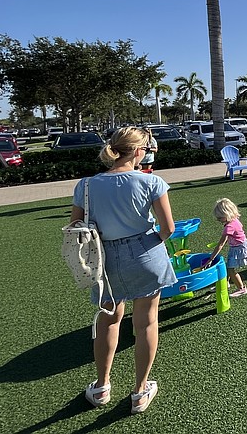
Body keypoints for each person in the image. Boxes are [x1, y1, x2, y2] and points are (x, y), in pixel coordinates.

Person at [71, 127, 177, 414]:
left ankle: (102, 386)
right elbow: (168, 229)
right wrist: (147, 242)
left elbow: (76, 227)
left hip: (104, 259)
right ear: (140, 151)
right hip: (145, 253)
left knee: (109, 320)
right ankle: (139, 391)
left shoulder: (86, 185)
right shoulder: (151, 181)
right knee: (146, 323)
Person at [204, 198, 247, 298]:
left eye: (220, 218)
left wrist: (211, 259)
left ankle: (242, 288)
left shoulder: (229, 227)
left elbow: (220, 244)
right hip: (238, 246)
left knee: (231, 269)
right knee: (228, 267)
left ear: (227, 215)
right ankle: (226, 283)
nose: (218, 220)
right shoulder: (234, 220)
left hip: (239, 248)